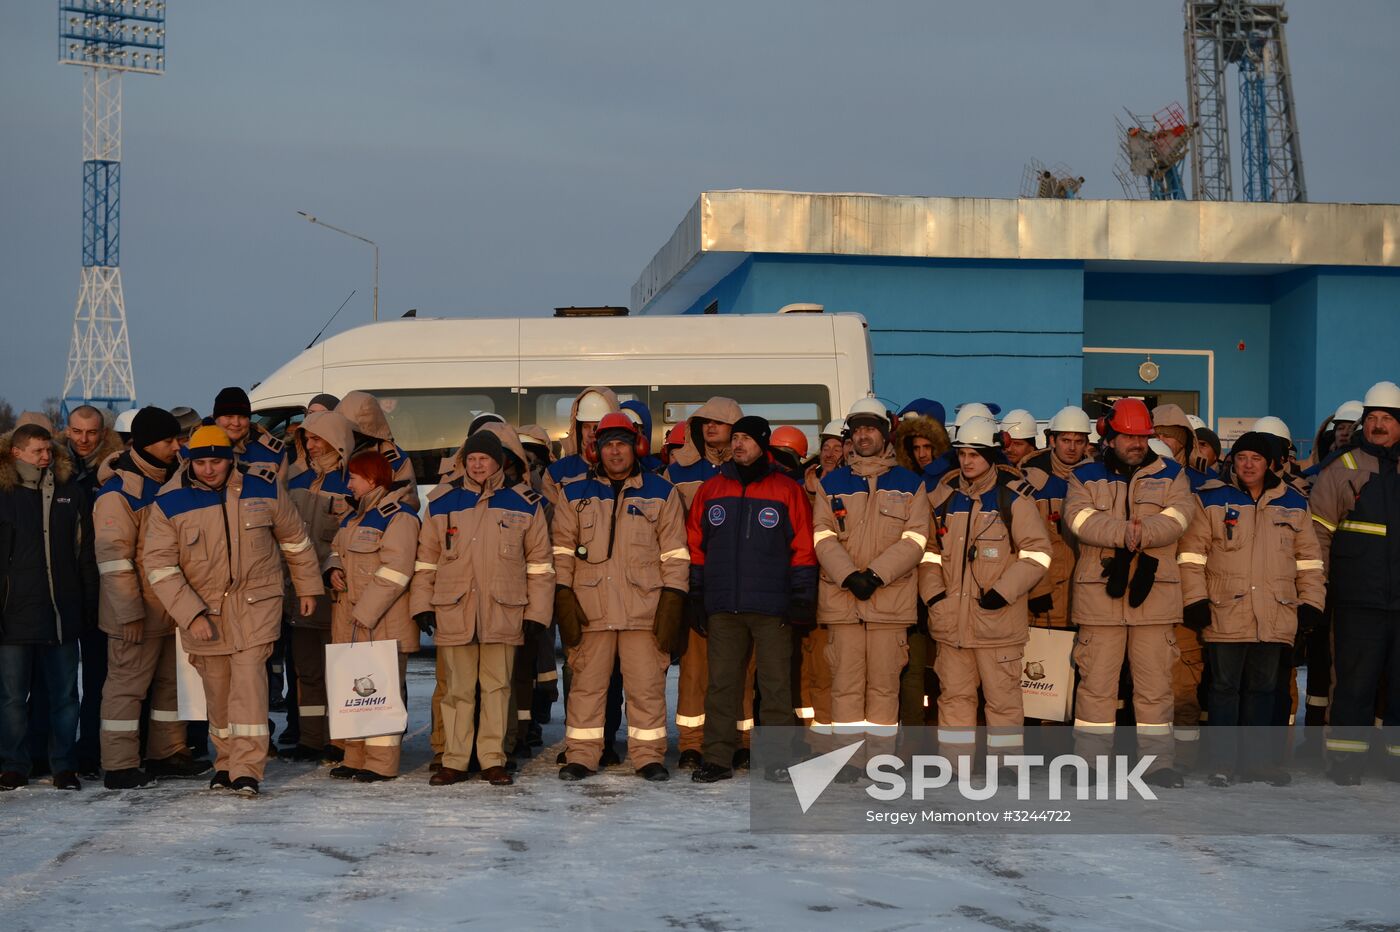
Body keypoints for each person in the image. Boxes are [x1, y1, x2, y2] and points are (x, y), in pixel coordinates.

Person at [143, 425, 323, 796]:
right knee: (218, 693)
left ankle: (247, 770)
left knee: (250, 687)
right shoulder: (169, 501)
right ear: (189, 461)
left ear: (231, 460)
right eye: (202, 462)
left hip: (258, 605)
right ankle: (225, 762)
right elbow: (160, 566)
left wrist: (308, 588)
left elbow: (296, 541)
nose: (209, 469)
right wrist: (191, 614)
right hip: (204, 613)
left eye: (217, 462)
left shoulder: (264, 487)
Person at [1177, 431, 1325, 786]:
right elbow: (1191, 556)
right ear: (1232, 460)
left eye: (1255, 458)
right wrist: (1194, 600)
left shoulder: (1294, 503)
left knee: (1264, 689)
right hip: (1225, 611)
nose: (1247, 464)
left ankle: (1256, 762)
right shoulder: (1210, 499)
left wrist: (1311, 604)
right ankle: (1222, 763)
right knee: (1224, 689)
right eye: (1241, 457)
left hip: (1275, 613)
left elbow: (1309, 561)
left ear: (1270, 464)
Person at [1063, 398, 1195, 788]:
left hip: (1154, 597)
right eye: (1129, 437)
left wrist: (1145, 534)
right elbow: (1078, 518)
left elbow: (1180, 516)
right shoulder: (1083, 476)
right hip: (1099, 597)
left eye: (1142, 437)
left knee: (1155, 686)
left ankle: (1157, 765)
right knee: (1096, 686)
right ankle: (1090, 762)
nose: (1137, 444)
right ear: (1111, 437)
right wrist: (1125, 534)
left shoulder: (1173, 474)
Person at [412, 428, 553, 786]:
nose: (477, 465)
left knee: (497, 688)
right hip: (454, 608)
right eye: (471, 459)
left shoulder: (525, 504)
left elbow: (540, 565)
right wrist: (422, 606)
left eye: (484, 459)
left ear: (499, 463)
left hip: (504, 611)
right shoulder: (442, 503)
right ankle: (455, 760)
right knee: (457, 689)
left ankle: (493, 759)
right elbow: (426, 560)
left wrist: (537, 614)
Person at [554, 413, 688, 781]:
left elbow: (675, 555)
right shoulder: (574, 494)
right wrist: (563, 596)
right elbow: (562, 550)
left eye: (621, 444)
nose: (615, 452)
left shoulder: (662, 493)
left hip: (643, 610)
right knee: (586, 689)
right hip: (590, 610)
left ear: (636, 448)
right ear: (596, 450)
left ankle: (648, 757)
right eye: (608, 444)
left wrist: (673, 601)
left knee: (646, 689)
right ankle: (582, 755)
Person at [687, 416, 817, 783]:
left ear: (764, 444)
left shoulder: (787, 490)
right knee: (722, 685)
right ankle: (716, 757)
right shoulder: (711, 490)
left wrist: (802, 597)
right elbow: (696, 547)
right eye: (736, 438)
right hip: (723, 605)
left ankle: (777, 758)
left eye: (746, 438)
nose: (739, 444)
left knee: (776, 686)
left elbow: (803, 547)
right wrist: (696, 594)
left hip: (773, 605)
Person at [920, 416, 1051, 778]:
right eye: (962, 453)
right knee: (954, 699)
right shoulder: (943, 497)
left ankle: (1006, 768)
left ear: (991, 455)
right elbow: (929, 552)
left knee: (1003, 702)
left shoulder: (1014, 497)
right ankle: (953, 767)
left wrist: (1003, 592)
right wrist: (935, 597)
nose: (966, 461)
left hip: (997, 623)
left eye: (975, 454)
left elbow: (1038, 554)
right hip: (952, 624)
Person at [811, 398, 930, 770]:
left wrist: (876, 575)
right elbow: (821, 535)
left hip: (889, 604)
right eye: (857, 430)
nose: (863, 436)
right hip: (843, 601)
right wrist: (849, 575)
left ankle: (878, 761)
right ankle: (848, 763)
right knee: (845, 687)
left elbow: (917, 539)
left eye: (870, 429)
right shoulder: (831, 483)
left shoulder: (911, 484)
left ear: (885, 435)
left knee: (883, 689)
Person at [95, 407, 210, 788]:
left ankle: (167, 754)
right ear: (145, 443)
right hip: (136, 614)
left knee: (170, 686)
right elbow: (114, 561)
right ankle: (119, 764)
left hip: (172, 608)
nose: (177, 447)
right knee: (126, 689)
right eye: (168, 441)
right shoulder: (118, 495)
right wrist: (129, 614)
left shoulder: (172, 482)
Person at [1309, 380, 1400, 784]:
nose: (1378, 425)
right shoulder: (1342, 468)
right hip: (1357, 600)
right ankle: (1346, 762)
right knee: (1353, 685)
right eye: (1373, 418)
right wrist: (1320, 588)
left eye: (1387, 419)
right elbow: (1317, 535)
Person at [0, 423, 99, 791]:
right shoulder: (4, 494)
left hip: (61, 612)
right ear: (17, 452)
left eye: (49, 451)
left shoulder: (69, 493)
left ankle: (64, 766)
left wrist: (88, 603)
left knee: (65, 696)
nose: (46, 457)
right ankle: (13, 764)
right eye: (38, 451)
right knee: (11, 697)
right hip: (13, 615)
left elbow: (84, 555)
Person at [323, 450, 421, 781]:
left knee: (381, 693)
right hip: (350, 622)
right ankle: (355, 757)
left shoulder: (400, 517)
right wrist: (332, 569)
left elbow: (397, 570)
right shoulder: (353, 519)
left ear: (372, 479)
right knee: (353, 691)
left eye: (352, 477)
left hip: (382, 622)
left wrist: (365, 611)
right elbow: (335, 550)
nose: (347, 484)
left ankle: (380, 763)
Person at [665, 396, 743, 769]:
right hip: (697, 581)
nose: (711, 427)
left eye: (720, 422)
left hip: (742, 583)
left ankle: (741, 740)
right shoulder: (677, 472)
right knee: (695, 670)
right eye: (705, 422)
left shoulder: (749, 468)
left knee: (742, 666)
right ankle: (692, 744)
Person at [281, 411, 359, 763]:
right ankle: (311, 739)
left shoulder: (354, 480)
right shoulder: (294, 477)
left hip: (340, 590)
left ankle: (340, 741)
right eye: (306, 439)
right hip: (301, 589)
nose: (310, 445)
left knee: (342, 670)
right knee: (307, 670)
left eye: (316, 438)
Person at [65, 404, 124, 776]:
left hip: (105, 586)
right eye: (77, 432)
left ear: (103, 433)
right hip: (66, 586)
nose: (84, 440)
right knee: (58, 681)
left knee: (101, 677)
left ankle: (93, 750)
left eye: (91, 433)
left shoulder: (116, 470)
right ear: (67, 431)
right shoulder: (55, 469)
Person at [335, 391, 419, 512]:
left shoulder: (392, 458)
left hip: (372, 528)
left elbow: (408, 501)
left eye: (350, 429)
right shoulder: (329, 452)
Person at [540, 388, 619, 507]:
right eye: (586, 426)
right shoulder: (556, 473)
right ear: (578, 429)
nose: (591, 433)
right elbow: (553, 519)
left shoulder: (627, 469)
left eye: (597, 426)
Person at [212, 387, 287, 475]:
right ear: (216, 419)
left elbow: (284, 487)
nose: (236, 423)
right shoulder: (196, 447)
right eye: (229, 416)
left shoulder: (274, 452)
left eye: (242, 417)